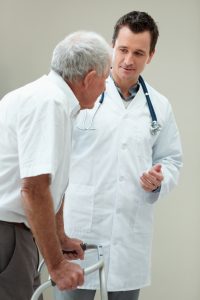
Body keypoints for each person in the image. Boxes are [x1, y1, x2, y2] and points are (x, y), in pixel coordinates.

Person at [54, 11, 183, 300]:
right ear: (112, 46)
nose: (128, 60)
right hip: (80, 230)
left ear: (150, 55)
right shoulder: (82, 93)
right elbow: (56, 153)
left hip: (129, 233)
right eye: (123, 49)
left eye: (139, 52)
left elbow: (172, 159)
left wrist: (159, 179)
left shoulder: (159, 107)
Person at [0, 30, 111, 300]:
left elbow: (51, 184)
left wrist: (59, 237)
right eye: (105, 78)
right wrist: (57, 265)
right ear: (90, 78)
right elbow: (34, 189)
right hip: (7, 231)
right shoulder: (49, 104)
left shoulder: (50, 99)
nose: (105, 88)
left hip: (17, 231)